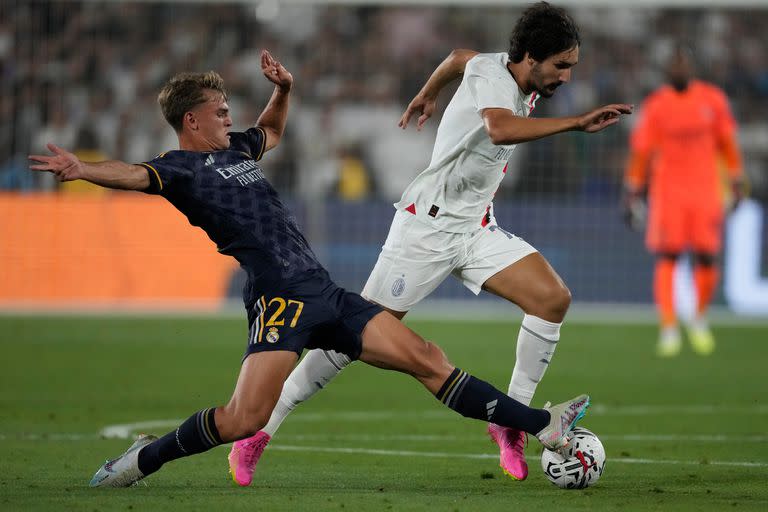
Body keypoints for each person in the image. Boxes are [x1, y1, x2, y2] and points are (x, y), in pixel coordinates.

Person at [28, 50, 590, 488]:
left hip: (324, 291)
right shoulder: (179, 170)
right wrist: (83, 169)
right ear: (191, 119)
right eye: (220, 112)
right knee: (240, 418)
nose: (230, 117)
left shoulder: (237, 151)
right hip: (280, 301)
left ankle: (542, 426)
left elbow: (271, 131)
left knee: (426, 358)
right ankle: (143, 459)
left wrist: (285, 90)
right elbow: (132, 174)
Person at [230, 2, 631, 486]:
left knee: (552, 299)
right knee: (347, 341)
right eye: (561, 66)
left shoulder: (502, 70)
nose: (566, 77)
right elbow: (499, 126)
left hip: (475, 228)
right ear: (528, 56)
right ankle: (258, 433)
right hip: (425, 230)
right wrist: (576, 123)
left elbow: (458, 56)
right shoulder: (497, 80)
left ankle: (510, 419)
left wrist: (427, 94)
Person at [623, 43, 744, 358]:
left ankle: (699, 317)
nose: (679, 70)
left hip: (705, 190)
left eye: (683, 64)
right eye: (674, 65)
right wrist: (633, 190)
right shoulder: (657, 105)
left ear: (692, 68)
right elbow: (642, 154)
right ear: (667, 71)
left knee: (706, 257)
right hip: (669, 192)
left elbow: (727, 145)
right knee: (669, 257)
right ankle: (669, 326)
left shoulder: (712, 100)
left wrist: (736, 181)